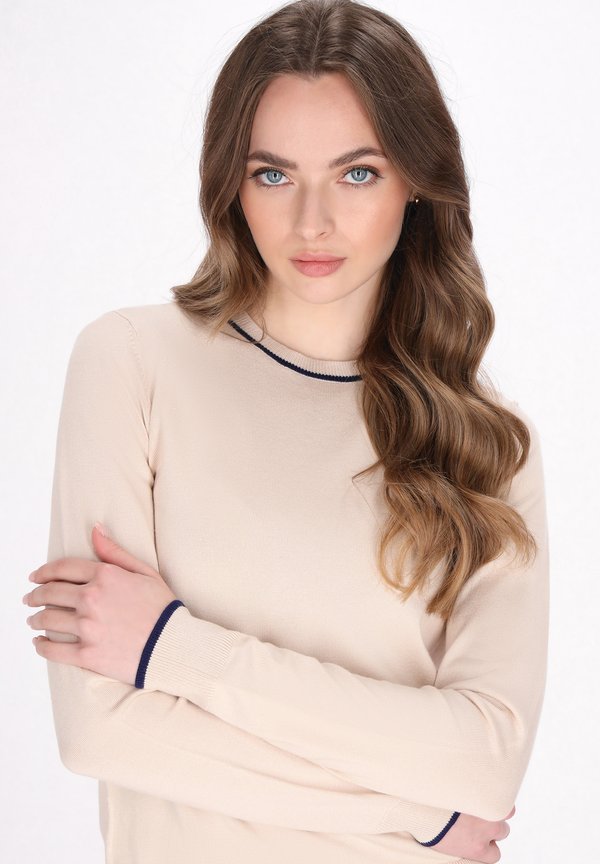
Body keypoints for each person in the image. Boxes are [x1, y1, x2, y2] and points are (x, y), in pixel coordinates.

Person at [22, 1, 548, 862]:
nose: (312, 221)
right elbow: (101, 729)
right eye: (273, 174)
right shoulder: (132, 363)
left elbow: (484, 764)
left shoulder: (488, 443)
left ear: (417, 181)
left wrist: (171, 649)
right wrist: (418, 814)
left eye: (358, 173)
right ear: (231, 182)